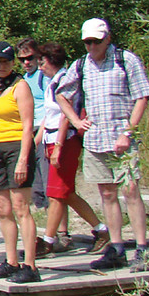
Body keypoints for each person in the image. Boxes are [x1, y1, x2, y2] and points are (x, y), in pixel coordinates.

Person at [56, 18, 149, 271]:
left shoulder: (126, 60)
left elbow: (142, 95)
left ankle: (143, 249)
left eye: (96, 41)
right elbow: (61, 94)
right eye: (87, 42)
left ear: (107, 39)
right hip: (96, 138)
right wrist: (77, 121)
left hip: (122, 136)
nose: (91, 46)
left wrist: (128, 133)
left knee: (131, 190)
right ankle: (117, 247)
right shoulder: (81, 65)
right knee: (107, 194)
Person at [33, 42, 106, 256]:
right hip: (51, 139)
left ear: (50, 61)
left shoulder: (65, 81)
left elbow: (66, 115)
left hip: (65, 141)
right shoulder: (51, 83)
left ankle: (47, 240)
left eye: (42, 62)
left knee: (56, 193)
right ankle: (101, 230)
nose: (39, 67)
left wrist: (58, 147)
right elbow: (49, 116)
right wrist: (35, 143)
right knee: (66, 192)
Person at [0, 41, 40, 283]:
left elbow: (28, 125)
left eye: (6, 61)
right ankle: (11, 261)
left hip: (17, 147)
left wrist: (23, 159)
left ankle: (30, 266)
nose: (2, 66)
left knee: (21, 208)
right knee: (2, 209)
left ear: (13, 62)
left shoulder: (21, 87)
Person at [17, 37, 49, 212]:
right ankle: (41, 207)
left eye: (30, 58)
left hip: (42, 128)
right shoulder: (23, 79)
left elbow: (50, 106)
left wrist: (39, 135)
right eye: (22, 59)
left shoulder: (43, 76)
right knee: (34, 175)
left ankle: (54, 216)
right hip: (27, 129)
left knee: (46, 174)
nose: (27, 62)